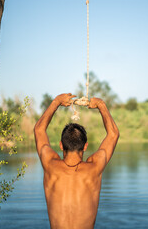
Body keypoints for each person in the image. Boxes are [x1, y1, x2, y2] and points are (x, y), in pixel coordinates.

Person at [34, 93, 119, 229]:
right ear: (85, 146)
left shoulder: (50, 164)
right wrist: (101, 105)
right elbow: (113, 134)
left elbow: (39, 130)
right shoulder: (94, 168)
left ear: (61, 145)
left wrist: (56, 101)